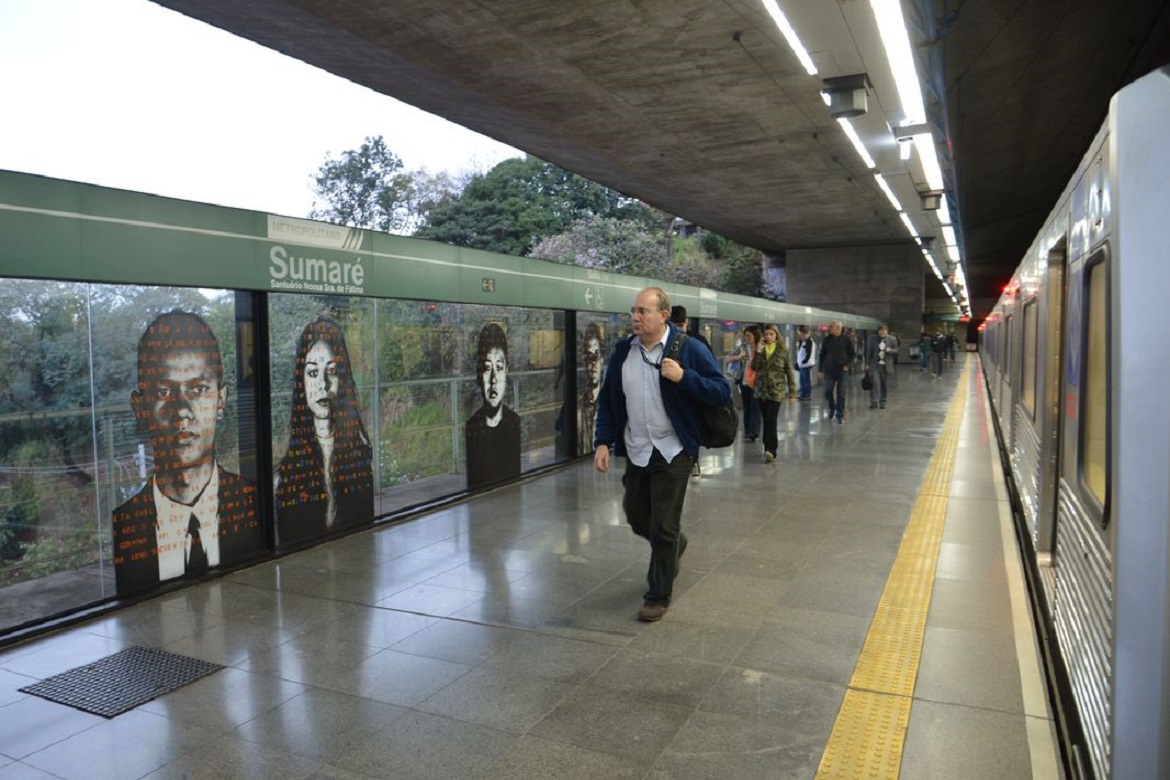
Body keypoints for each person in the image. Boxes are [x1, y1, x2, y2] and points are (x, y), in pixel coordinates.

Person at [594, 287, 729, 622]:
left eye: (643, 311)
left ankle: (657, 595)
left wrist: (685, 377)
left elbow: (722, 390)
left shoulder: (689, 349)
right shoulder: (623, 351)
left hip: (673, 450)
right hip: (637, 448)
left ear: (664, 315)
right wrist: (602, 441)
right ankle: (675, 545)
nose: (636, 318)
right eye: (634, 311)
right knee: (637, 515)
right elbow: (610, 403)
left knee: (663, 525)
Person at [112, 311, 261, 595]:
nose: (182, 410)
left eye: (198, 389)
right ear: (139, 408)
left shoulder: (253, 500)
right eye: (164, 392)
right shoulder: (125, 521)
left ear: (221, 400)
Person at [275, 317, 374, 544]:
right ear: (301, 380)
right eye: (312, 373)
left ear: (343, 378)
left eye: (331, 371)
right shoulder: (286, 472)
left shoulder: (359, 453)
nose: (323, 384)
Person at [465, 322, 522, 488]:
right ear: (479, 373)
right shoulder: (472, 427)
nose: (493, 379)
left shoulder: (513, 422)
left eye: (499, 368)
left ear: (506, 371)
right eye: (487, 368)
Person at [751, 324, 797, 462]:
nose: (768, 337)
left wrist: (793, 393)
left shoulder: (783, 351)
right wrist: (758, 351)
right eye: (766, 334)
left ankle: (772, 450)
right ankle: (767, 448)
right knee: (766, 420)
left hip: (776, 390)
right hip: (761, 391)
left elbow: (789, 372)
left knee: (771, 419)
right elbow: (754, 367)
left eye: (771, 334)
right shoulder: (761, 349)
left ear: (776, 335)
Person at [817, 320, 855, 424]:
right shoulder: (827, 340)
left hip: (842, 369)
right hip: (829, 369)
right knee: (827, 391)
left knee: (841, 392)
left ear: (838, 328)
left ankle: (840, 415)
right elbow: (822, 355)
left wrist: (848, 365)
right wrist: (820, 369)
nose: (830, 329)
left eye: (832, 327)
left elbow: (852, 354)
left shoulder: (846, 340)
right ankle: (831, 407)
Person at [578, 321, 604, 455]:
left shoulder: (609, 400)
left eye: (596, 357)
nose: (593, 364)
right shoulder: (578, 406)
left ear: (602, 360)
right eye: (589, 358)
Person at [732, 325, 762, 442]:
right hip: (744, 382)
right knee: (747, 408)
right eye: (745, 336)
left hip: (757, 383)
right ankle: (747, 430)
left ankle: (754, 432)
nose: (746, 338)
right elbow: (730, 357)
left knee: (755, 408)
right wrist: (738, 357)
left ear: (756, 336)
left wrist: (758, 351)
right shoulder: (743, 348)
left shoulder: (762, 349)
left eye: (749, 336)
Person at [864, 325, 896, 409]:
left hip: (886, 365)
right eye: (881, 331)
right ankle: (874, 401)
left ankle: (883, 401)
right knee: (874, 383)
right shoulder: (872, 339)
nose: (882, 332)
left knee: (884, 384)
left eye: (884, 331)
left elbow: (896, 350)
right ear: (878, 332)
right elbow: (868, 352)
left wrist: (890, 350)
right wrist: (867, 364)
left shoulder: (892, 339)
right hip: (874, 365)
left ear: (887, 331)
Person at [795, 325, 816, 401]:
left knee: (805, 380)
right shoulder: (803, 341)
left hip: (806, 365)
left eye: (800, 334)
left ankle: (807, 394)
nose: (799, 336)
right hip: (802, 365)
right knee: (802, 380)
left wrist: (804, 361)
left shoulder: (809, 342)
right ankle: (804, 394)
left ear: (804, 334)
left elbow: (808, 354)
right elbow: (800, 353)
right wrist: (798, 363)